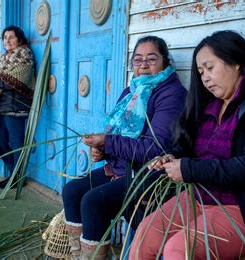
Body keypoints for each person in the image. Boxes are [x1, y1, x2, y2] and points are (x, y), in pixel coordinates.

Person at [129, 31, 245, 260]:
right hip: (202, 196)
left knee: (179, 250)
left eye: (210, 67)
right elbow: (192, 150)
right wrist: (171, 158)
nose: (204, 78)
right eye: (201, 72)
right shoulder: (210, 105)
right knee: (145, 234)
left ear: (236, 62)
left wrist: (188, 169)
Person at [61, 36, 187, 259]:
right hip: (122, 168)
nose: (143, 65)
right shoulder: (133, 91)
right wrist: (102, 151)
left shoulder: (171, 94)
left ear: (166, 62)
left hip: (151, 174)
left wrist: (107, 142)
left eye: (151, 59)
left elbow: (154, 149)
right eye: (138, 60)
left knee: (93, 202)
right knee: (72, 191)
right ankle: (78, 255)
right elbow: (117, 134)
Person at [0, 25, 35, 189]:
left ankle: (17, 176)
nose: (7, 40)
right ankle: (15, 174)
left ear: (19, 39)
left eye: (11, 37)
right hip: (3, 106)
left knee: (15, 143)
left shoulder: (24, 55)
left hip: (16, 106)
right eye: (5, 37)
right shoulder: (5, 58)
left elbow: (15, 81)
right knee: (0, 141)